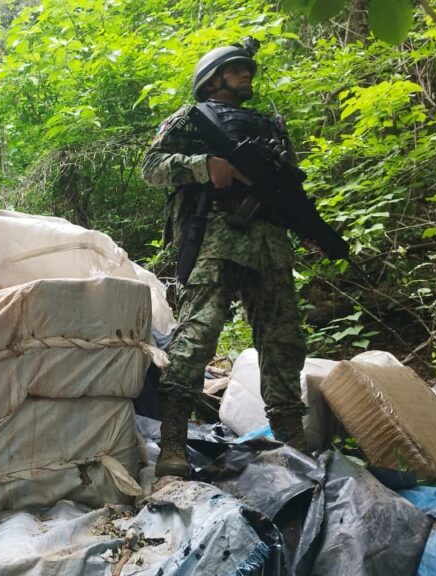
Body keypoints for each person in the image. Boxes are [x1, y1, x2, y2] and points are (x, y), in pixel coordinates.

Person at [141, 39, 309, 479]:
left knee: (284, 342)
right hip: (215, 241)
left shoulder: (270, 126)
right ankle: (173, 443)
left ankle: (293, 442)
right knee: (196, 338)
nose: (247, 74)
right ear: (213, 77)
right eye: (237, 68)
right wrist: (205, 165)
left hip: (269, 246)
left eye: (247, 68)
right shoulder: (191, 119)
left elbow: (290, 184)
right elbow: (151, 167)